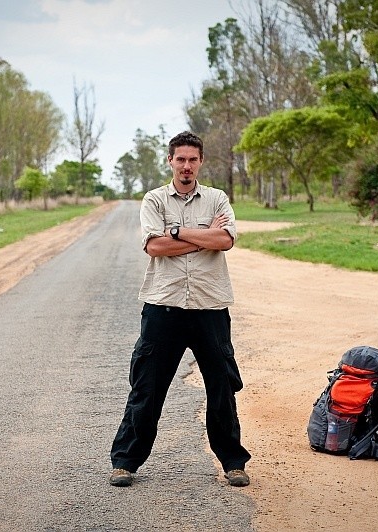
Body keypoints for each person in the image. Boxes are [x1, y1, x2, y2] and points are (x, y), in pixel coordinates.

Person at [109, 131, 251, 488]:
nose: (186, 166)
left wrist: (176, 233)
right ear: (170, 161)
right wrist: (200, 236)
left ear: (201, 162)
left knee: (221, 388)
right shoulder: (154, 200)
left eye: (193, 159)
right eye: (180, 159)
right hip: (164, 307)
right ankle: (125, 462)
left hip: (209, 306)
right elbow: (154, 247)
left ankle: (233, 462)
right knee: (147, 388)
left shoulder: (218, 199)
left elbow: (225, 240)